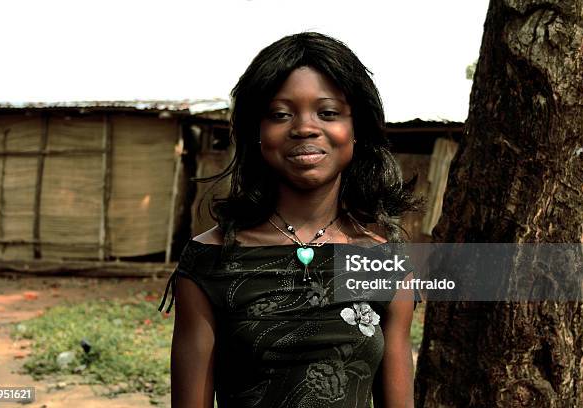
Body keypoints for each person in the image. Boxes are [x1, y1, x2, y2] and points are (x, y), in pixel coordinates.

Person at [159, 32, 420, 408]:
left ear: (356, 129)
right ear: (257, 134)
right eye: (281, 114)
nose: (305, 128)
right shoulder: (208, 262)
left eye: (328, 113)